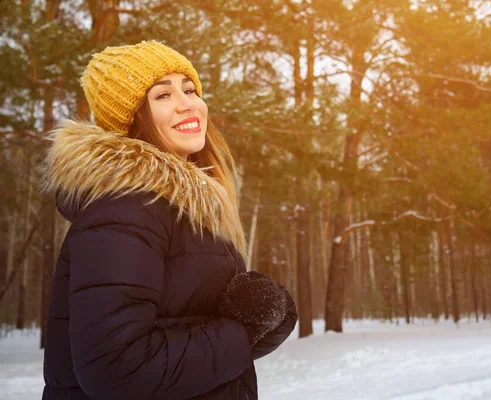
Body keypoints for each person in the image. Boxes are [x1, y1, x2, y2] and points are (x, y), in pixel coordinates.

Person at [41, 40, 298, 400]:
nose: (187, 103)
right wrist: (240, 332)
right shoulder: (125, 210)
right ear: (131, 119)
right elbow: (117, 368)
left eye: (189, 88)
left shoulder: (185, 208)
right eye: (162, 95)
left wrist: (265, 314)